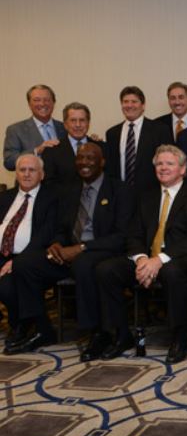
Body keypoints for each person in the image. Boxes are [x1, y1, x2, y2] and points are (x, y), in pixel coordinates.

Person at [12, 143, 133, 360]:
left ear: (102, 162)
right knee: (25, 263)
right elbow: (62, 228)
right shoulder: (69, 190)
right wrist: (57, 244)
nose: (84, 163)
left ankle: (97, 332)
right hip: (68, 253)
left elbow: (122, 236)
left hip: (101, 251)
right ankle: (42, 329)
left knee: (83, 263)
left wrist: (82, 248)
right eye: (80, 158)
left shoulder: (119, 190)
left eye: (90, 158)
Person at [95, 145, 187, 363]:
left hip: (179, 259)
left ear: (183, 169)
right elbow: (133, 233)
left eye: (169, 163)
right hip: (147, 257)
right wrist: (141, 259)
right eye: (159, 164)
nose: (163, 168)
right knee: (106, 270)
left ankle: (179, 337)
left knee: (171, 272)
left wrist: (158, 260)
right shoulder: (146, 197)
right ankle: (121, 335)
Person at [0, 154, 58, 354]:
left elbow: (45, 235)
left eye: (32, 170)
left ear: (41, 174)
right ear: (16, 174)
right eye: (22, 170)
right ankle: (24, 325)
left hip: (32, 258)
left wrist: (17, 261)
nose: (26, 174)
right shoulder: (5, 198)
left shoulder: (51, 198)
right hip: (3, 255)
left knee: (7, 286)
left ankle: (22, 325)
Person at [104, 86, 173, 193]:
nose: (129, 105)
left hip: (151, 194)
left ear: (143, 105)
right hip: (121, 195)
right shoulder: (112, 133)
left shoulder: (160, 130)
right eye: (125, 102)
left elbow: (168, 163)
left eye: (134, 101)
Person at [41, 102, 104, 189]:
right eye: (73, 120)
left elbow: (108, 180)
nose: (78, 125)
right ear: (65, 124)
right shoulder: (51, 151)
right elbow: (48, 184)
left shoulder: (102, 148)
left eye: (82, 120)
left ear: (88, 123)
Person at [3, 84, 66, 170]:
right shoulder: (15, 130)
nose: (42, 104)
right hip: (30, 182)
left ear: (53, 103)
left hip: (61, 182)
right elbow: (9, 162)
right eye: (37, 100)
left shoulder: (65, 127)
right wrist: (36, 151)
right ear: (29, 104)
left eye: (47, 100)